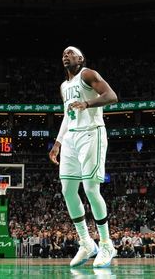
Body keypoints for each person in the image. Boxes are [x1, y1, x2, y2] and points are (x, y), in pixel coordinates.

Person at [49, 46, 119, 268]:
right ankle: (86, 242)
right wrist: (58, 143)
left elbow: (112, 96)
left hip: (91, 133)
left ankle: (107, 244)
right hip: (70, 138)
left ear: (80, 58)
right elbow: (67, 116)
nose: (65, 55)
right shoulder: (64, 86)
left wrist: (87, 103)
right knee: (68, 190)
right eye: (63, 54)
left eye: (70, 53)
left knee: (90, 189)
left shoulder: (88, 74)